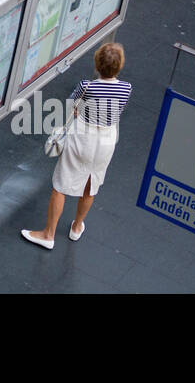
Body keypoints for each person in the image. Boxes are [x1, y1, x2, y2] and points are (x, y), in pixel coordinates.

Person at [22, 42, 131, 249]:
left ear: (97, 64)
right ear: (119, 66)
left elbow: (72, 106)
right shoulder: (126, 88)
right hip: (107, 140)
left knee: (61, 184)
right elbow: (118, 110)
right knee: (91, 184)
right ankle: (77, 227)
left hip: (83, 137)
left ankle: (48, 235)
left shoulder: (86, 86)